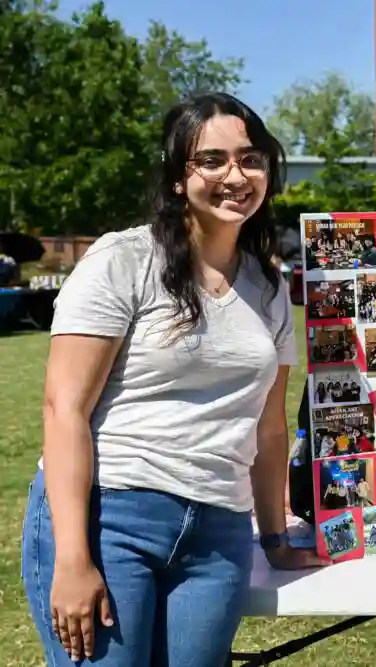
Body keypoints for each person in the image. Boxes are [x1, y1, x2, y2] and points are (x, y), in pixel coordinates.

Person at [20, 92, 324, 667]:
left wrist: (276, 540)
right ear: (179, 179)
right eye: (211, 160)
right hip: (112, 518)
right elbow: (64, 409)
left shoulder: (268, 287)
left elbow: (268, 428)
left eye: (251, 159)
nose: (235, 175)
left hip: (219, 534)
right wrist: (72, 557)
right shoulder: (123, 260)